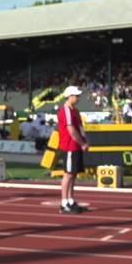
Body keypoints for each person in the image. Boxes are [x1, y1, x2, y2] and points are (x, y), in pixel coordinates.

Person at [57, 86, 89, 214]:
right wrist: (82, 143)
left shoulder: (75, 111)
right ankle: (64, 203)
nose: (78, 98)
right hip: (70, 146)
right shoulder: (66, 111)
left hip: (75, 146)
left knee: (73, 174)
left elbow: (80, 128)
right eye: (76, 95)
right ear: (69, 96)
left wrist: (85, 141)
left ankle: (70, 200)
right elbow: (71, 130)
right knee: (68, 174)